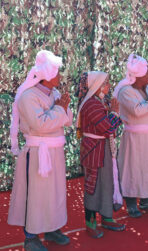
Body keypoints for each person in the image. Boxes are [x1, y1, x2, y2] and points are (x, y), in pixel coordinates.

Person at [8, 50, 72, 251]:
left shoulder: (56, 94)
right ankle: (31, 238)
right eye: (57, 72)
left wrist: (61, 110)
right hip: (37, 154)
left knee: (54, 193)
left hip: (55, 153)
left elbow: (68, 119)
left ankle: (52, 228)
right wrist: (60, 110)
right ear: (47, 74)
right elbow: (40, 124)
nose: (60, 77)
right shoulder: (28, 96)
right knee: (34, 195)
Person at [113, 54, 148, 218]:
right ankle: (130, 203)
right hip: (135, 138)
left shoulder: (147, 89)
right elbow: (137, 111)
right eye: (147, 72)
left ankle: (146, 199)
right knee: (133, 169)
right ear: (139, 75)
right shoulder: (125, 91)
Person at [76, 71, 125, 238]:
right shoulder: (91, 104)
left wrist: (113, 114)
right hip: (95, 151)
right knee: (94, 186)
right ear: (96, 85)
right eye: (105, 83)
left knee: (106, 183)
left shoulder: (99, 102)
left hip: (101, 148)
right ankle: (90, 223)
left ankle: (106, 216)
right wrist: (115, 113)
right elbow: (108, 127)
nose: (108, 86)